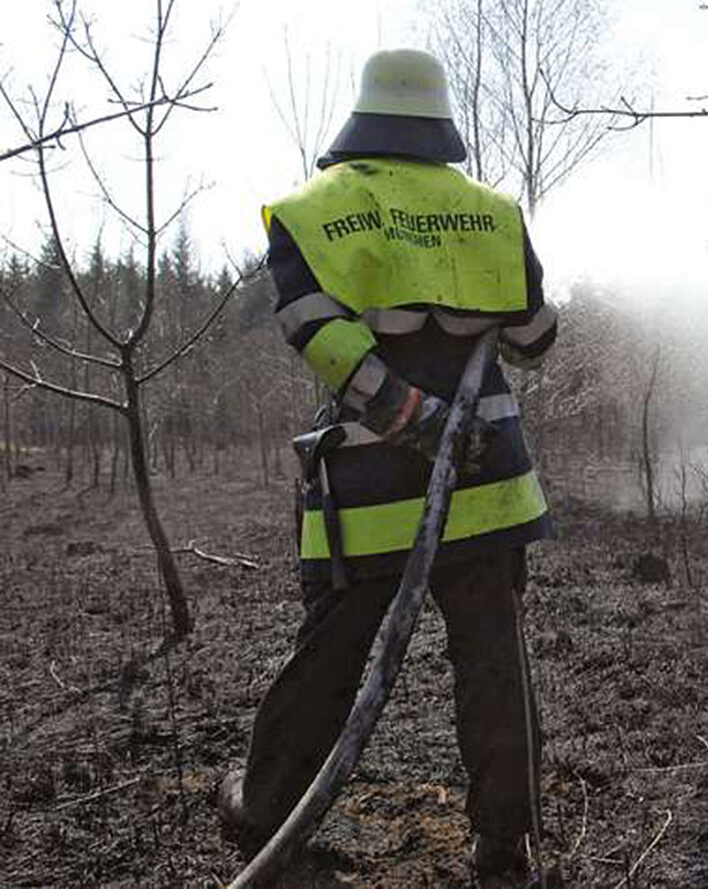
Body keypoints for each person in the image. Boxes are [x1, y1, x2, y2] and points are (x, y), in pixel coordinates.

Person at [218, 48, 558, 889]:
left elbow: (313, 329)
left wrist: (404, 414)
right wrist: (444, 396)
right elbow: (535, 339)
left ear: (364, 115)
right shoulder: (491, 212)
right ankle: (503, 843)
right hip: (488, 484)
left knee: (330, 652)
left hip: (367, 490)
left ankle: (267, 809)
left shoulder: (316, 210)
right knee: (493, 658)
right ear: (440, 121)